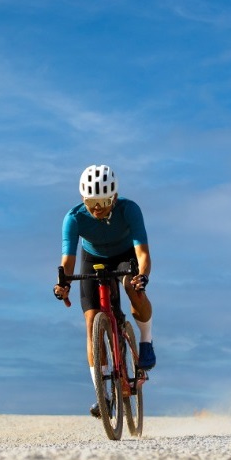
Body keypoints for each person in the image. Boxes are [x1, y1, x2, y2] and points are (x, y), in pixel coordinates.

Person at [53, 164, 155, 417]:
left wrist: (142, 277)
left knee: (131, 286)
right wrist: (63, 284)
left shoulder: (129, 210)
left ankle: (146, 339)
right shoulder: (73, 218)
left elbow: (142, 253)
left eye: (104, 202)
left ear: (115, 197)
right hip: (93, 258)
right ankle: (103, 396)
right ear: (82, 199)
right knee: (91, 322)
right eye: (91, 202)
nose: (97, 208)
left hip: (124, 256)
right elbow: (67, 260)